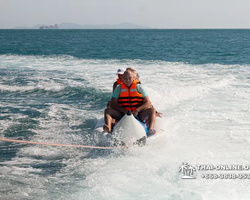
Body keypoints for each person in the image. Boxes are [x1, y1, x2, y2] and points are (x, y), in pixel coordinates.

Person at [103, 69, 156, 135]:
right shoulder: (118, 88)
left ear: (134, 78)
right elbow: (113, 104)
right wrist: (124, 110)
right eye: (125, 78)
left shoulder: (140, 87)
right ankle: (108, 128)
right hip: (123, 113)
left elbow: (148, 103)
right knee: (107, 111)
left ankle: (150, 129)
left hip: (138, 114)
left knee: (152, 110)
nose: (127, 80)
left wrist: (137, 110)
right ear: (122, 79)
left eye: (129, 78)